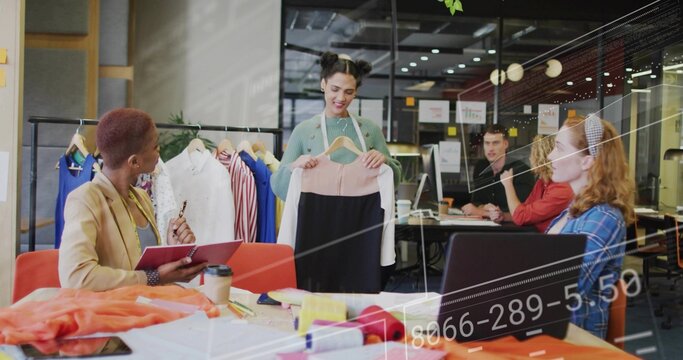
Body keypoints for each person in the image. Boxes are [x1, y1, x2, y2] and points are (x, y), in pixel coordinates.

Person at [59, 108, 207, 291]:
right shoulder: (84, 199)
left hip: (147, 306)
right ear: (134, 162)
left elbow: (142, 267)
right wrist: (155, 277)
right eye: (155, 146)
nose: (159, 150)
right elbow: (76, 278)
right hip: (113, 314)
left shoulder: (141, 198)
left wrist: (173, 251)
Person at [545, 115, 635, 339]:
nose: (550, 155)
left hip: (572, 337)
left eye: (559, 148)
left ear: (586, 161)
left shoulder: (604, 217)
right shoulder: (574, 210)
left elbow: (566, 289)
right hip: (547, 326)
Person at [270, 51, 401, 201]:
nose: (341, 98)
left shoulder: (370, 130)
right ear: (323, 84)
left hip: (362, 219)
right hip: (317, 218)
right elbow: (278, 186)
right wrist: (293, 167)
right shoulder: (304, 131)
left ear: (356, 92)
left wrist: (385, 160)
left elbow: (395, 181)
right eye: (335, 89)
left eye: (349, 92)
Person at [486, 135, 574, 232]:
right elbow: (523, 211)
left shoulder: (561, 188)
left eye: (532, 153)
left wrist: (508, 184)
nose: (530, 158)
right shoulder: (542, 182)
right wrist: (504, 217)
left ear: (540, 156)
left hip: (551, 243)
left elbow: (521, 216)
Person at [462, 124, 534, 217]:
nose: (490, 148)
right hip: (485, 227)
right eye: (487, 143)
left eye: (495, 143)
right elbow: (476, 201)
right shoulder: (481, 167)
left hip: (512, 229)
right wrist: (484, 207)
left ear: (505, 144)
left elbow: (523, 213)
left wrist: (482, 212)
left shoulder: (521, 170)